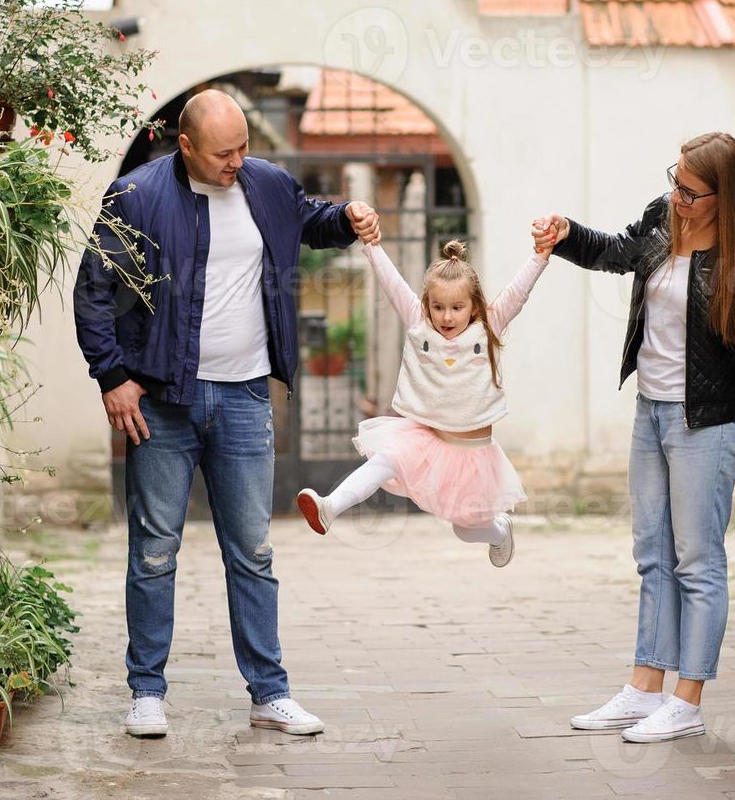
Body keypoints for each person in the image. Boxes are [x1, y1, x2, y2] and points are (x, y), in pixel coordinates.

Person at [73, 90, 380, 738]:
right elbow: (93, 290)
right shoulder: (137, 196)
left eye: (244, 147)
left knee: (254, 551)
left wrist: (349, 216)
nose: (237, 161)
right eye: (223, 153)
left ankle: (270, 694)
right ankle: (147, 693)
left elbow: (307, 222)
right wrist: (113, 377)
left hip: (244, 397)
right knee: (154, 551)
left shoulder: (263, 181)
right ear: (186, 146)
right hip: (162, 401)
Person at [532, 131, 735, 743]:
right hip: (652, 412)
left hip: (709, 424)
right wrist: (566, 235)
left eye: (690, 191)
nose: (677, 197)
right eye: (675, 182)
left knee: (698, 560)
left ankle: (687, 700)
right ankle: (644, 689)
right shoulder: (661, 221)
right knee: (653, 555)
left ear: (725, 195)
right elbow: (616, 252)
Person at [294, 231, 551, 567]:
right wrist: (371, 246)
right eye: (438, 307)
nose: (446, 317)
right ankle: (330, 506)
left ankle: (500, 531)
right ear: (427, 304)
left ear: (475, 305)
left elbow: (518, 293)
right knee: (384, 460)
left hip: (472, 454)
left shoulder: (488, 326)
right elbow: (393, 284)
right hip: (426, 439)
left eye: (457, 308)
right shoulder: (420, 324)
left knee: (466, 529)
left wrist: (540, 256)